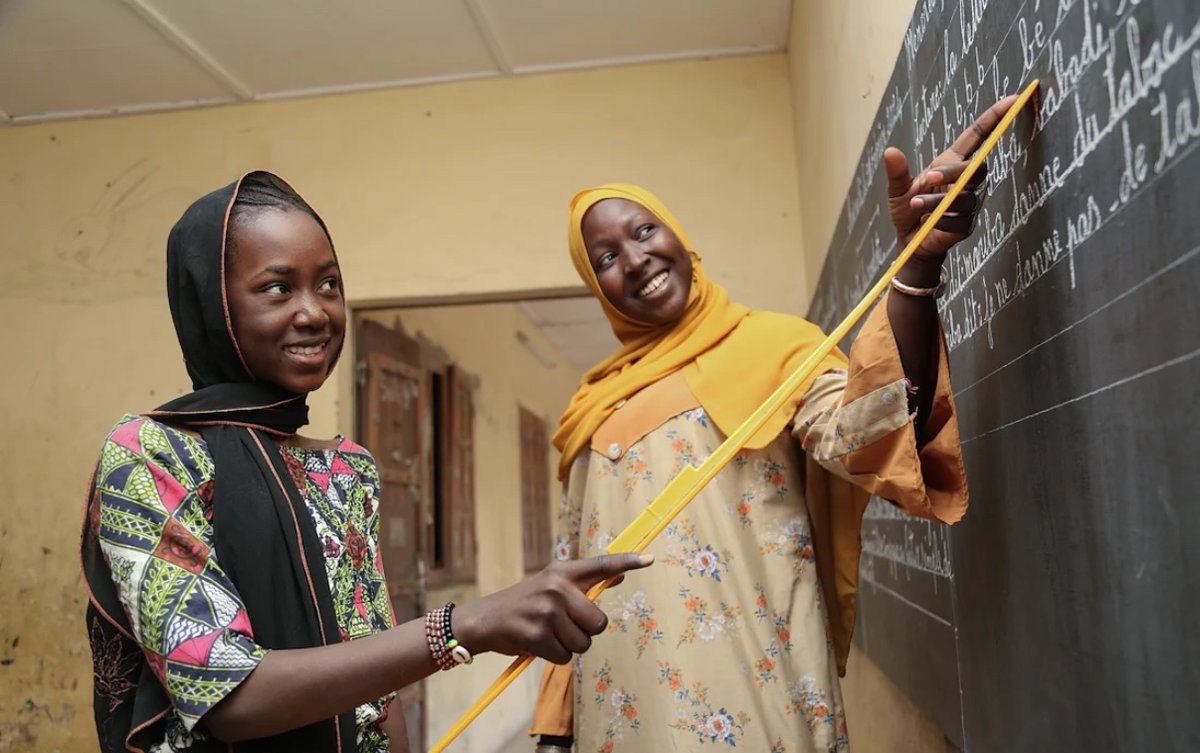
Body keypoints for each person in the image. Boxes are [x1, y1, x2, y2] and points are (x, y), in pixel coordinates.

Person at [80, 171, 654, 753]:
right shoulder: (152, 454)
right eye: (279, 288)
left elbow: (378, 690)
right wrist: (465, 626)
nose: (315, 313)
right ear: (213, 303)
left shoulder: (348, 469)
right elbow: (228, 695)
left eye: (329, 284)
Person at [530, 96, 1019, 753]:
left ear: (678, 235)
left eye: (644, 231)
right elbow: (572, 573)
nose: (635, 258)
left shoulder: (774, 347)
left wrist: (917, 266)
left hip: (755, 709)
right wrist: (555, 726)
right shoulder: (590, 406)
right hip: (616, 720)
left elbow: (867, 433)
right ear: (598, 287)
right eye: (606, 256)